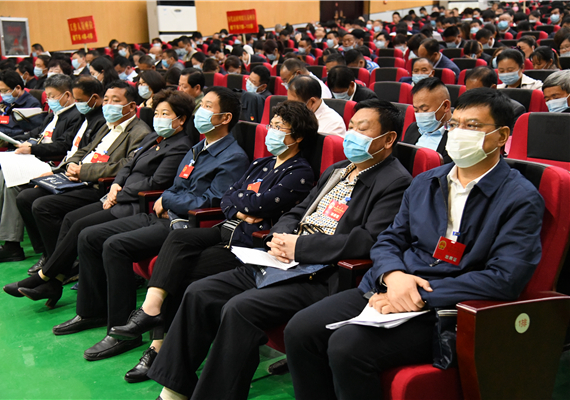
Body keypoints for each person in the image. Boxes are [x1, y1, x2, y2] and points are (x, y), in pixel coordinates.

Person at [284, 88, 544, 400]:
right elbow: (389, 239)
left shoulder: (520, 198)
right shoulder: (427, 181)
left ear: (501, 136)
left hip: (448, 305)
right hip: (392, 284)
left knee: (347, 346)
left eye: (473, 126)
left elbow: (506, 277)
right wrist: (393, 276)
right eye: (454, 124)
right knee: (300, 330)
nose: (459, 132)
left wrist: (418, 294)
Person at [147, 99, 413, 400]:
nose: (351, 135)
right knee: (199, 292)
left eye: (362, 130)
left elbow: (368, 240)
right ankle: (174, 389)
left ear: (388, 139)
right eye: (350, 127)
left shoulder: (395, 182)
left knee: (239, 309)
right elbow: (299, 210)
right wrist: (279, 236)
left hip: (320, 273)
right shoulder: (339, 169)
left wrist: (300, 247)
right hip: (283, 258)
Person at [103, 100, 317, 382]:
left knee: (180, 274)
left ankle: (158, 348)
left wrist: (243, 203)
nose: (271, 131)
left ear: (297, 137)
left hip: (247, 243)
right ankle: (149, 310)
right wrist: (242, 207)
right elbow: (228, 198)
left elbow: (262, 204)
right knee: (179, 239)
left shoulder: (299, 172)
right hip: (226, 228)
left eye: (280, 127)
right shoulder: (261, 163)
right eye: (272, 125)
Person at [51, 87, 250, 362]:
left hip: (183, 225)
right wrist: (169, 198)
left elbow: (211, 201)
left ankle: (122, 331)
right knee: (89, 236)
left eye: (207, 106)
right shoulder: (198, 147)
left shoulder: (233, 157)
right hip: (161, 214)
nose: (200, 112)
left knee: (115, 246)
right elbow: (177, 186)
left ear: (225, 117)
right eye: (201, 105)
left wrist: (168, 200)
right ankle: (91, 311)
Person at [3, 89, 194, 305]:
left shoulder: (180, 146)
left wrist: (118, 194)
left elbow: (156, 183)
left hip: (136, 204)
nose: (158, 118)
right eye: (157, 113)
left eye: (165, 114)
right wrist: (116, 185)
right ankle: (53, 281)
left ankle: (45, 277)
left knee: (81, 226)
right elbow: (128, 165)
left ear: (181, 119)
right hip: (117, 194)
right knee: (71, 219)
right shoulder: (153, 138)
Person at [12, 80, 151, 271]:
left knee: (42, 206)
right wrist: (68, 166)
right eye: (106, 100)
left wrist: (83, 171)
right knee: (25, 197)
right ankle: (49, 254)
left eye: (116, 101)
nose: (108, 105)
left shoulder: (140, 132)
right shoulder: (107, 125)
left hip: (97, 185)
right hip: (76, 177)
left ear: (131, 106)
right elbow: (85, 150)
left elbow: (125, 165)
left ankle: (59, 264)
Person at [0, 75, 83, 259]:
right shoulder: (54, 114)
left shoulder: (75, 116)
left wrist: (32, 148)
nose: (49, 100)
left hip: (50, 163)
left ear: (67, 95)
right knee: (9, 177)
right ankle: (9, 243)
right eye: (47, 96)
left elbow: (63, 146)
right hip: (35, 158)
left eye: (52, 96)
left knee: (10, 178)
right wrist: (11, 140)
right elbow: (35, 134)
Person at [403, 77, 452, 163]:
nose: (420, 115)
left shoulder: (458, 136)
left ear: (445, 106)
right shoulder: (413, 128)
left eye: (425, 110)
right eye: (416, 110)